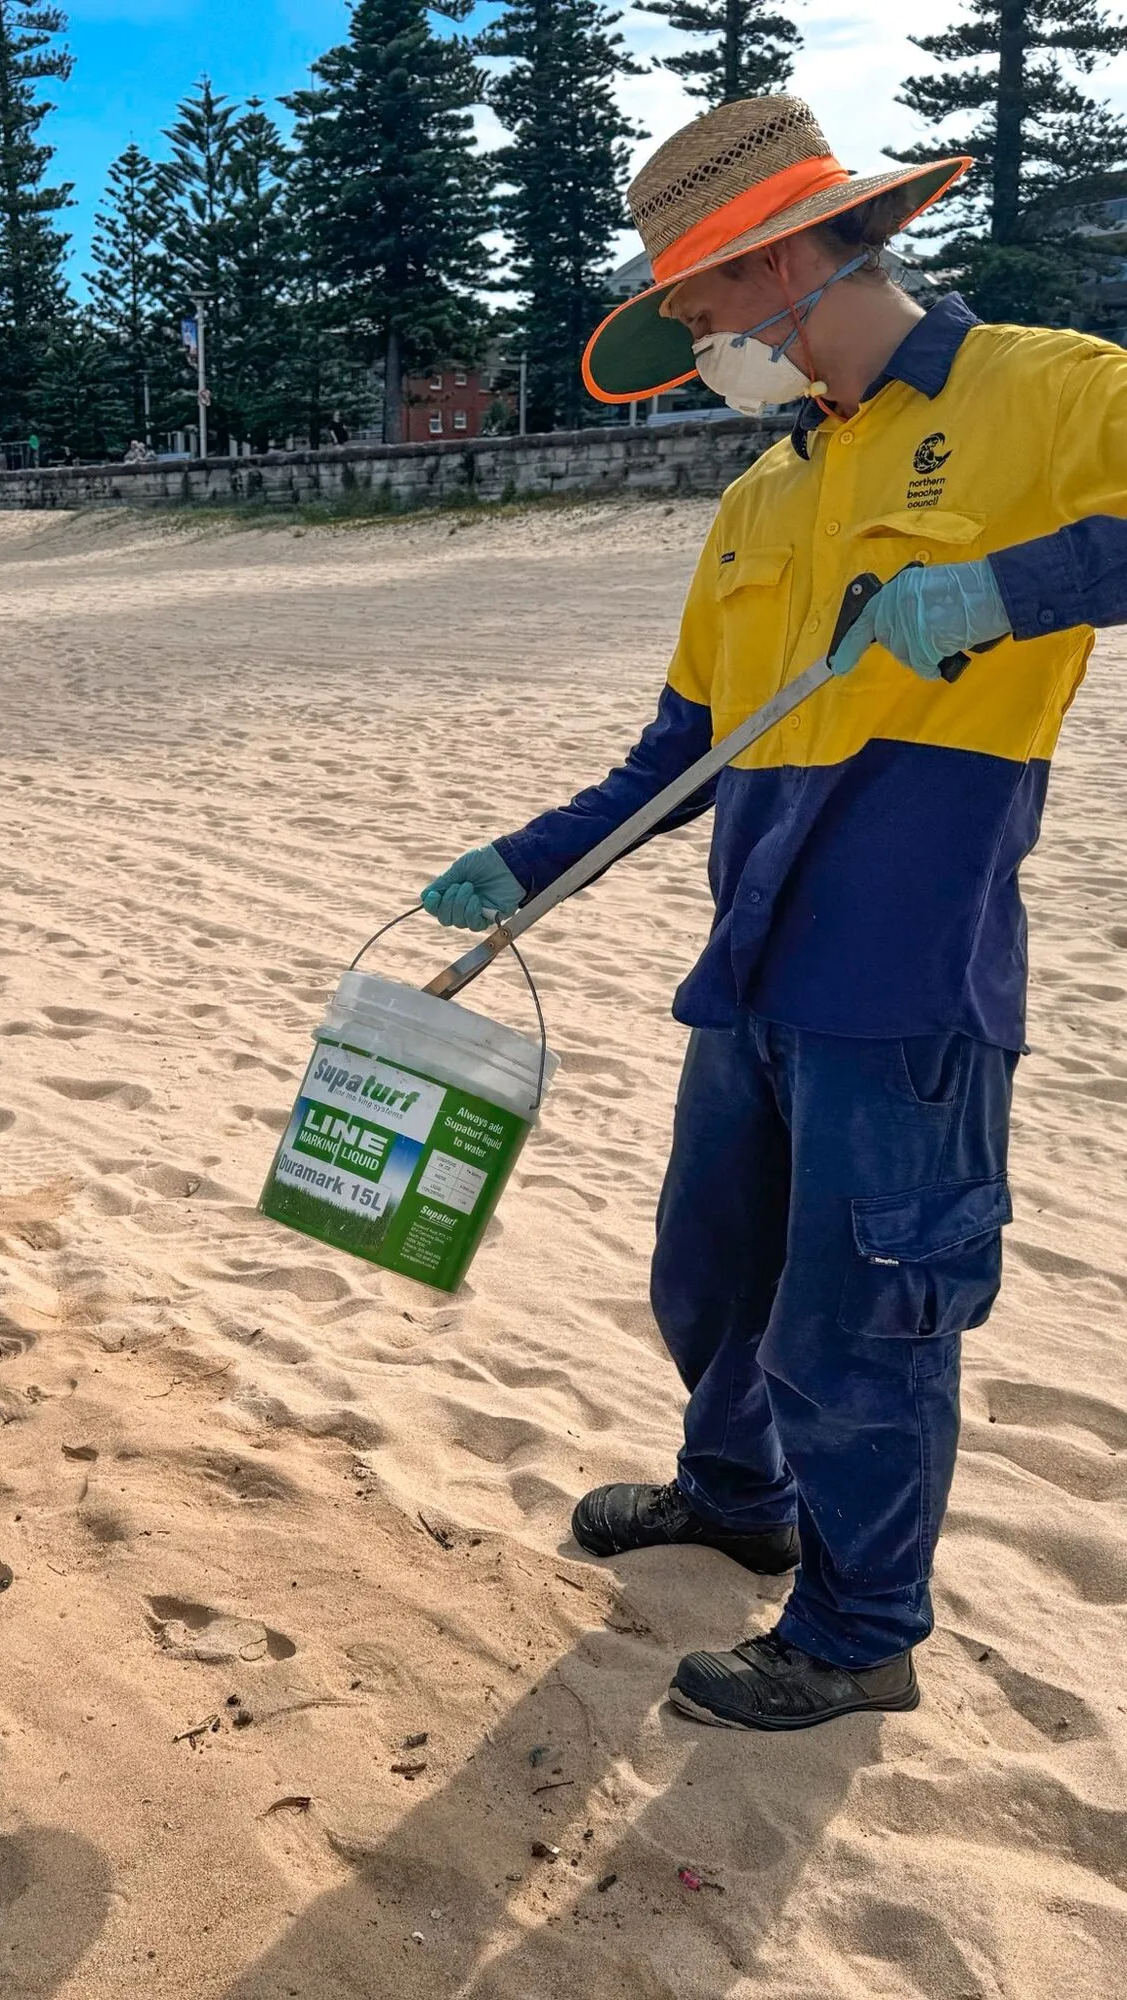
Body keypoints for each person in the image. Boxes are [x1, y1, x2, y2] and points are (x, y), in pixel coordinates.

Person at [423, 94, 1127, 1732]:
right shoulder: (763, 496)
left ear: (796, 255)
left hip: (907, 972)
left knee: (862, 1317)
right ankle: (735, 1497)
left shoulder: (1045, 388)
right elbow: (679, 751)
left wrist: (1006, 591)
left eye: (705, 304)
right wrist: (525, 864)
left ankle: (862, 1627)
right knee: (713, 1277)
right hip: (749, 966)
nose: (698, 340)